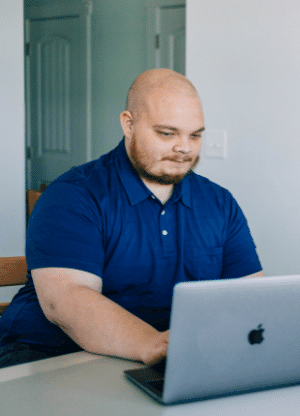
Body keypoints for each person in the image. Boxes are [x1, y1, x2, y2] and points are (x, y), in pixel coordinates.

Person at [0, 69, 263, 368]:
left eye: (195, 135)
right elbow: (67, 302)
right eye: (167, 133)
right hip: (46, 358)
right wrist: (154, 345)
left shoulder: (220, 202)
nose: (184, 148)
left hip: (163, 358)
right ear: (129, 123)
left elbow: (249, 296)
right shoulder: (72, 195)